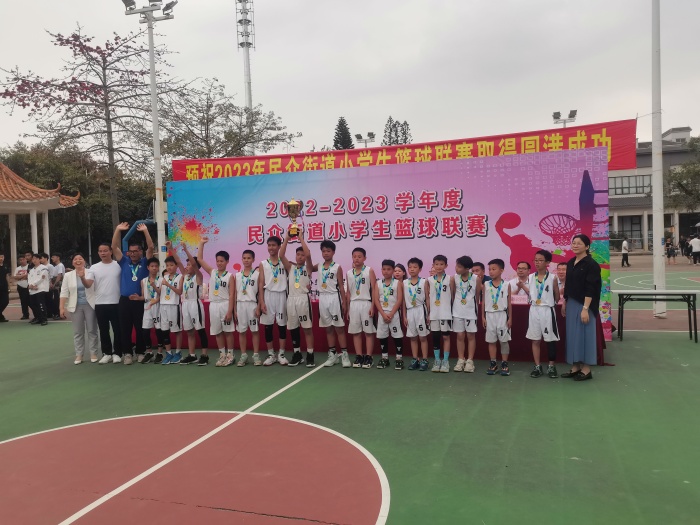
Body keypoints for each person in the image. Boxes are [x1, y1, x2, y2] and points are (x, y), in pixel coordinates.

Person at [112, 222, 155, 364]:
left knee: (140, 328)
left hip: (140, 301)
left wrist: (145, 231)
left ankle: (141, 352)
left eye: (136, 251)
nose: (133, 253)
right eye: (131, 251)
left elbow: (151, 247)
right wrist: (118, 230)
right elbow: (114, 247)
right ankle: (127, 354)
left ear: (140, 252)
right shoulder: (124, 261)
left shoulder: (145, 262)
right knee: (125, 329)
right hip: (124, 301)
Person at [561, 234, 602, 381]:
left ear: (587, 246)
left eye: (579, 243)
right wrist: (565, 301)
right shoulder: (571, 262)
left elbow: (591, 288)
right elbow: (568, 284)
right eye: (573, 242)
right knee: (573, 335)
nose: (575, 245)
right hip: (572, 303)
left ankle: (586, 369)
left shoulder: (591, 264)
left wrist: (585, 309)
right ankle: (575, 366)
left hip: (586, 304)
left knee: (585, 336)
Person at [197, 236, 236, 366]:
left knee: (227, 331)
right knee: (217, 331)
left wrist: (230, 311)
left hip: (225, 304)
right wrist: (201, 244)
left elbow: (232, 295)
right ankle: (222, 355)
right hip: (213, 305)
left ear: (227, 262)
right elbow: (200, 259)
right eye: (217, 261)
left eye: (222, 261)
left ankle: (230, 355)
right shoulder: (212, 272)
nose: (219, 263)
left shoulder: (230, 276)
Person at [279, 230, 315, 367]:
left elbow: (308, 254)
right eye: (298, 254)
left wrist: (300, 237)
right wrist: (287, 238)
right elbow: (281, 255)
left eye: (302, 255)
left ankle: (310, 354)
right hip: (291, 300)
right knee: (293, 328)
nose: (300, 257)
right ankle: (297, 353)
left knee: (307, 328)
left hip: (303, 300)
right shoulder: (290, 267)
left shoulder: (308, 268)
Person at [170, 243, 209, 366]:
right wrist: (171, 249)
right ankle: (192, 355)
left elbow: (194, 264)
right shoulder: (185, 276)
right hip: (185, 304)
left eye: (189, 265)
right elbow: (178, 261)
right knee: (189, 331)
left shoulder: (198, 276)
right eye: (186, 265)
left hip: (195, 304)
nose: (186, 267)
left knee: (200, 330)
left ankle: (204, 355)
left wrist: (186, 250)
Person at [316, 240, 350, 368]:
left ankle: (345, 355)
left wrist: (344, 302)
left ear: (333, 252)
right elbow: (306, 264)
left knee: (339, 328)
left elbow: (341, 286)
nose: (326, 253)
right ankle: (333, 354)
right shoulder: (319, 265)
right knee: (328, 328)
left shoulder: (337, 267)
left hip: (334, 298)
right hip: (323, 298)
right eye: (323, 251)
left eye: (328, 251)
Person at [59, 253, 98, 364]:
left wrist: (82, 276)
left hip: (90, 305)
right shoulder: (68, 275)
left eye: (80, 259)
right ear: (72, 262)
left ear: (84, 261)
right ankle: (79, 354)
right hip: (75, 306)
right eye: (75, 259)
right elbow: (64, 292)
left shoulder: (91, 272)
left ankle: (93, 353)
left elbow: (94, 287)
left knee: (92, 330)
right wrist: (61, 308)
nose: (78, 261)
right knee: (78, 332)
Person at [527, 250, 560, 379]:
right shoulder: (530, 277)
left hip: (547, 310)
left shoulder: (553, 278)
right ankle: (537, 366)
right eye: (535, 260)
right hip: (534, 309)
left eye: (540, 260)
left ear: (547, 262)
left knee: (550, 339)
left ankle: (551, 366)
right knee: (535, 339)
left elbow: (557, 296)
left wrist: (550, 302)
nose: (537, 262)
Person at [89, 243, 123, 363]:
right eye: (100, 251)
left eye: (105, 250)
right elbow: (88, 284)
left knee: (117, 330)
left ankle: (118, 353)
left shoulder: (118, 265)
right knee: (103, 330)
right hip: (100, 303)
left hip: (116, 302)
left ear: (111, 252)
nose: (103, 253)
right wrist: (82, 277)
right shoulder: (94, 267)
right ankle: (106, 353)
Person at [258, 236, 289, 366]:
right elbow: (261, 283)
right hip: (268, 295)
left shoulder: (284, 262)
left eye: (274, 245)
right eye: (269, 245)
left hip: (281, 295)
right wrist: (261, 301)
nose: (271, 247)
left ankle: (281, 354)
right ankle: (271, 354)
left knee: (282, 326)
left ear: (279, 246)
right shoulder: (263, 263)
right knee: (268, 327)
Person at [346, 247, 378, 368]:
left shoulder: (369, 270)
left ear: (364, 258)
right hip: (354, 304)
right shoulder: (349, 273)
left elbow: (374, 289)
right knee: (356, 332)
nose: (357, 259)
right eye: (354, 256)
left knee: (368, 332)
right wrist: (348, 309)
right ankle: (359, 356)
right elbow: (348, 292)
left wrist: (373, 306)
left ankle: (369, 357)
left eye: (359, 256)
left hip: (366, 303)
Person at [451, 255, 481, 373]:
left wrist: (474, 308)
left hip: (471, 312)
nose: (456, 268)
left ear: (467, 268)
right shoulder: (454, 278)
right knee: (460, 335)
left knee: (470, 336)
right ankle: (460, 359)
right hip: (457, 311)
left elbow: (477, 296)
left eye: (459, 267)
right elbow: (453, 294)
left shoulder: (476, 279)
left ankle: (470, 361)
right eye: (456, 265)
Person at [373, 259, 404, 370]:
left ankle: (399, 358)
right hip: (382, 314)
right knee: (382, 336)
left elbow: (399, 300)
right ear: (381, 270)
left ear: (393, 270)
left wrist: (391, 314)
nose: (386, 271)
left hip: (394, 314)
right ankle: (384, 358)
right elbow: (376, 300)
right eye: (384, 269)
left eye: (389, 269)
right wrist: (383, 314)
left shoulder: (397, 283)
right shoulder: (378, 283)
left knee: (397, 336)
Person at [232, 248, 261, 366]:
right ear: (242, 259)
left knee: (255, 331)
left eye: (249, 258)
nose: (246, 260)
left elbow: (260, 292)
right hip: (240, 305)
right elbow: (234, 294)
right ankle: (243, 355)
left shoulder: (257, 274)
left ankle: (256, 355)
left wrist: (259, 307)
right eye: (244, 258)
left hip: (252, 304)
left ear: (253, 259)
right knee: (241, 331)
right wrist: (234, 309)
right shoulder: (237, 275)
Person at [483, 258, 512, 376]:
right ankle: (493, 363)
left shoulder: (506, 284)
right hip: (489, 315)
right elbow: (484, 302)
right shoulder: (486, 284)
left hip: (502, 314)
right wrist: (483, 317)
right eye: (489, 269)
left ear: (501, 270)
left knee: (504, 340)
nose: (491, 271)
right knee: (491, 341)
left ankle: (504, 363)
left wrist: (510, 318)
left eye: (494, 269)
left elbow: (509, 303)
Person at [403, 257, 430, 371]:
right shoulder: (404, 282)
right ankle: (415, 359)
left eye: (415, 267)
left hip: (420, 310)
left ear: (420, 269)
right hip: (410, 311)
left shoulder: (424, 281)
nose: (412, 269)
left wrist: (429, 314)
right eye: (410, 267)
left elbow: (427, 298)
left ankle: (425, 359)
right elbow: (403, 301)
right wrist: (404, 316)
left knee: (422, 337)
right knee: (413, 337)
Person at [139, 257, 165, 364]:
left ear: (158, 268)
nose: (154, 268)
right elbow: (143, 296)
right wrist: (137, 298)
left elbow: (162, 294)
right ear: (148, 267)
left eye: (156, 266)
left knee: (159, 330)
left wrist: (154, 286)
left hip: (158, 305)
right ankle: (149, 352)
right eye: (152, 266)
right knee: (145, 330)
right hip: (147, 306)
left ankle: (159, 353)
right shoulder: (143, 281)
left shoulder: (162, 280)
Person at [159, 255, 184, 364]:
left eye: (171, 265)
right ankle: (169, 353)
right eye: (167, 265)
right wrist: (154, 286)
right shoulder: (164, 277)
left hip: (174, 305)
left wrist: (168, 284)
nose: (169, 267)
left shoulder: (180, 277)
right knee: (164, 330)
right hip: (163, 305)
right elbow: (160, 292)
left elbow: (179, 292)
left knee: (177, 330)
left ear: (176, 266)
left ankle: (178, 353)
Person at [429, 254, 452, 373]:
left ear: (446, 266)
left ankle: (445, 361)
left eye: (441, 264)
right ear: (433, 265)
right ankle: (437, 360)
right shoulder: (429, 280)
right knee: (436, 337)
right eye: (436, 264)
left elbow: (453, 295)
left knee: (446, 336)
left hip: (445, 313)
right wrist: (428, 313)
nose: (438, 266)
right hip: (434, 313)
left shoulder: (450, 279)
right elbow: (427, 298)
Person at [14, 255, 30, 320]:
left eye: (23, 259)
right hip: (20, 286)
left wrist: (20, 276)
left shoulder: (29, 267)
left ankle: (37, 314)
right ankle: (25, 314)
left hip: (28, 286)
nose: (22, 261)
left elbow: (29, 276)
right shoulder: (17, 268)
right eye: (20, 260)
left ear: (26, 259)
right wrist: (24, 276)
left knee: (31, 301)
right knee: (23, 301)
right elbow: (15, 277)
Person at [40, 253, 56, 319]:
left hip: (48, 285)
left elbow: (52, 275)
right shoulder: (40, 266)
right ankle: (46, 312)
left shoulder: (50, 266)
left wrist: (51, 283)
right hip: (42, 285)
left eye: (41, 258)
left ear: (46, 258)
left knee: (49, 299)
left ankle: (50, 313)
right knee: (44, 300)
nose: (40, 260)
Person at [50, 253, 65, 320]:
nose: (52, 258)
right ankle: (55, 313)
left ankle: (59, 314)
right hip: (55, 283)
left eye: (53, 257)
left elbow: (59, 275)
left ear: (58, 257)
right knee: (55, 299)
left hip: (58, 285)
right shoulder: (55, 266)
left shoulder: (60, 265)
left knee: (57, 299)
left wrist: (55, 284)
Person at [0, 253, 9, 322]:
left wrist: (9, 286)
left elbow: (7, 276)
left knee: (6, 301)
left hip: (4, 286)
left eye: (2, 257)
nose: (1, 258)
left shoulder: (5, 266)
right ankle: (1, 317)